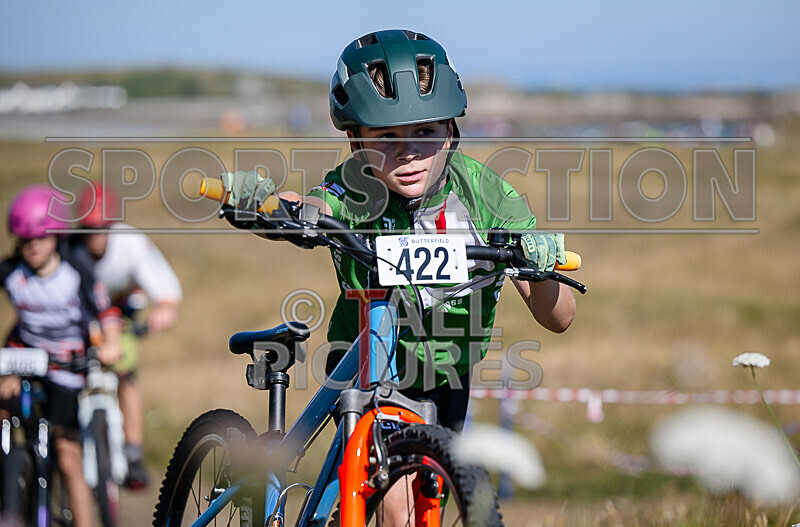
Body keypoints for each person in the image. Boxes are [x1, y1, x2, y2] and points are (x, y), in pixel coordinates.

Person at [222, 29, 575, 524]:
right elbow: (315, 207)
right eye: (386, 139)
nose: (408, 153)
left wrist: (540, 268)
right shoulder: (354, 186)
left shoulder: (490, 198)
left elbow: (558, 318)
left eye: (425, 134)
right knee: (398, 508)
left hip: (446, 373)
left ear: (452, 131)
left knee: (426, 507)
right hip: (365, 362)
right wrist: (265, 205)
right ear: (354, 140)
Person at [0, 185, 122, 527]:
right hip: (21, 360)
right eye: (25, 241)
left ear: (56, 237)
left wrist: (110, 342)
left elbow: (106, 311)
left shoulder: (76, 269)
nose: (33, 247)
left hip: (67, 368)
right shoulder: (11, 273)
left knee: (68, 455)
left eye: (40, 238)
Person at [73, 181, 182, 489]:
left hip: (122, 313)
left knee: (125, 372)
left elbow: (166, 292)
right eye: (88, 229)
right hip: (84, 316)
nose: (95, 236)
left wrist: (162, 310)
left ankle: (132, 452)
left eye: (102, 228)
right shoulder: (70, 248)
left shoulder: (131, 244)